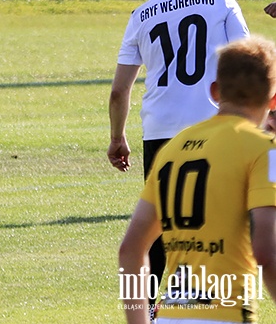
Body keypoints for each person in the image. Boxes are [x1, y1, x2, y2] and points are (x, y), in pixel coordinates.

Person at [108, 0, 249, 282]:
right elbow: (248, 64)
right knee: (216, 227)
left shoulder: (141, 15)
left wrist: (117, 138)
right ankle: (214, 309)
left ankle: (155, 313)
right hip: (214, 129)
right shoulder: (221, 1)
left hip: (161, 133)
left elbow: (119, 91)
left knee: (157, 233)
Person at [118, 35, 276, 323]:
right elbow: (266, 250)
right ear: (273, 96)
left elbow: (130, 249)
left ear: (215, 91)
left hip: (170, 315)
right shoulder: (263, 149)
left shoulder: (173, 149)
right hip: (226, 313)